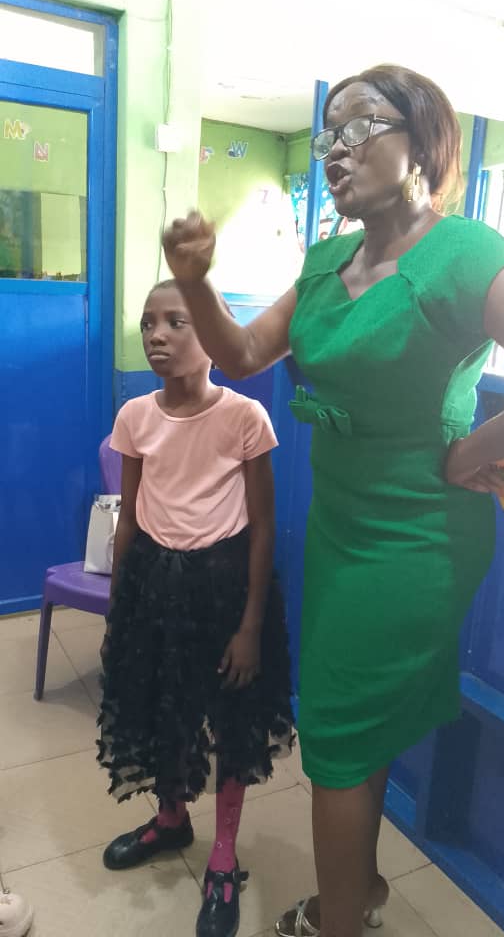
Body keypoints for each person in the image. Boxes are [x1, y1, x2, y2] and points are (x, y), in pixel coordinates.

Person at [160, 64, 504, 937]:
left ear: (423, 142)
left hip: (415, 539)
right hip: (340, 527)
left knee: (332, 744)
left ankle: (338, 923)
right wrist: (197, 280)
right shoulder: (329, 259)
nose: (336, 150)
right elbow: (243, 354)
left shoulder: (464, 253)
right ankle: (360, 893)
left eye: (361, 126)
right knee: (357, 733)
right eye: (328, 134)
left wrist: (473, 451)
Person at [97, 279, 294, 937]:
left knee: (232, 723)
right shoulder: (134, 417)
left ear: (214, 337)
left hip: (225, 589)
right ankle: (171, 819)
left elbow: (262, 528)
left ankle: (223, 858)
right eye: (148, 322)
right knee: (163, 709)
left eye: (176, 322)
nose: (157, 335)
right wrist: (119, 607)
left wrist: (251, 626)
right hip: (153, 584)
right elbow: (129, 519)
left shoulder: (245, 418)